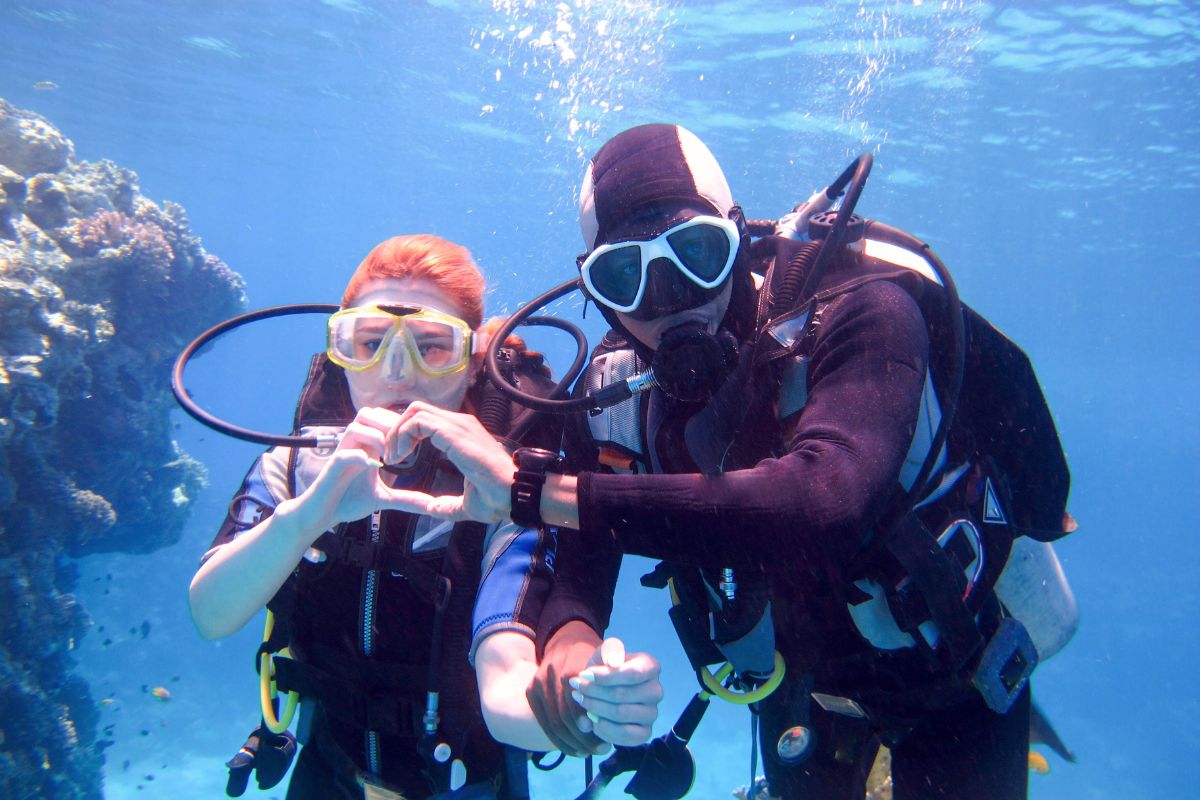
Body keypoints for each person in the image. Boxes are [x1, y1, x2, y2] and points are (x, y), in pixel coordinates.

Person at [380, 125, 1077, 799]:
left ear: (738, 236)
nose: (668, 300)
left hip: (954, 680)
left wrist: (530, 489)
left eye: (696, 253)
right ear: (594, 291)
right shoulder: (612, 398)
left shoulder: (862, 310)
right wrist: (569, 640)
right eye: (626, 274)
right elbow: (583, 559)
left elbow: (823, 502)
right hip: (798, 690)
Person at [188, 234, 663, 800]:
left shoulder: (496, 490)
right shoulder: (292, 470)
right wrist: (304, 519)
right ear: (339, 353)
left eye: (432, 347)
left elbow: (506, 681)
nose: (395, 374)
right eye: (367, 343)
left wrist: (583, 710)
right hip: (326, 771)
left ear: (470, 367)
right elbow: (211, 614)